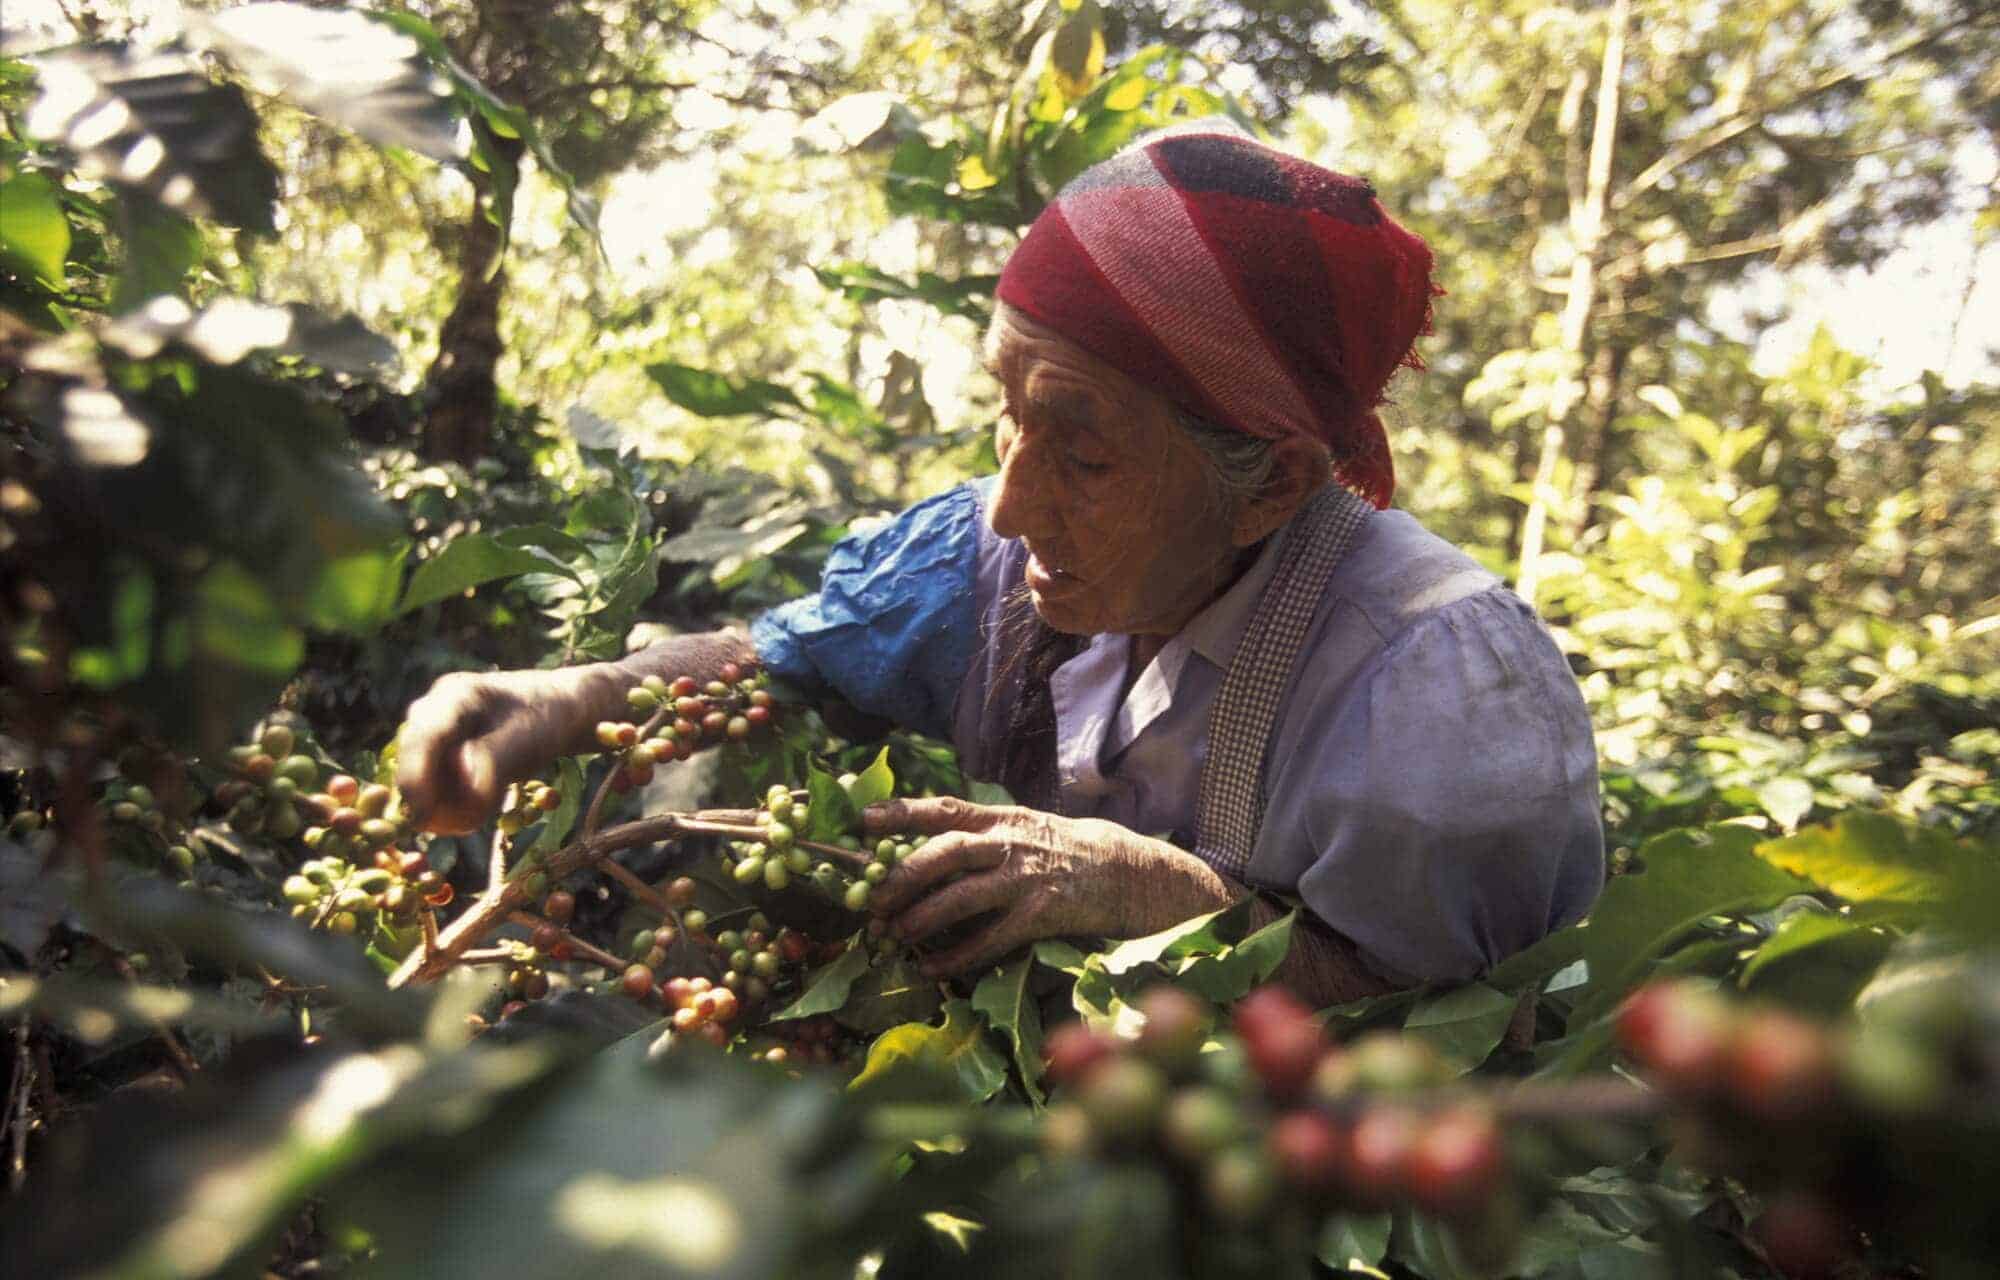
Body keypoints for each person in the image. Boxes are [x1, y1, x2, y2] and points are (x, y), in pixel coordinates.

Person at [398, 126, 1604, 1008]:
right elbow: (789, 656)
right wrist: (569, 697)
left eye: (1079, 448)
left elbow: (1450, 1022)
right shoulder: (978, 559)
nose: (1013, 504)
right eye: (1004, 412)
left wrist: (1162, 897)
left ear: (1276, 482)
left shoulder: (1432, 685)